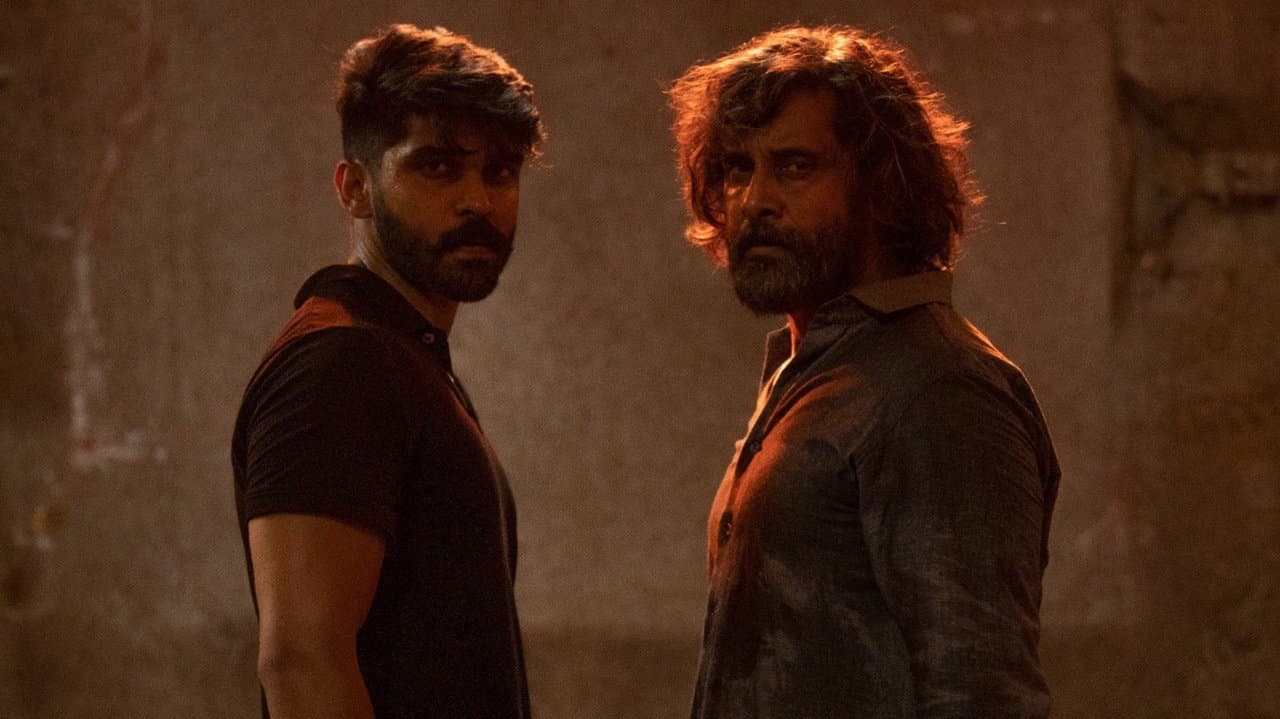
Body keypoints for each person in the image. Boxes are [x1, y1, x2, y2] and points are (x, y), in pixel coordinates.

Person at [668, 25, 1061, 718]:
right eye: (736, 168)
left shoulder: (940, 388)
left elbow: (980, 692)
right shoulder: (814, 373)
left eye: (794, 167)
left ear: (881, 187)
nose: (754, 200)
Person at [231, 24, 543, 719]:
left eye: (499, 171)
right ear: (355, 189)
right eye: (438, 167)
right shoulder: (340, 362)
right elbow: (301, 660)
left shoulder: (402, 359)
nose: (478, 200)